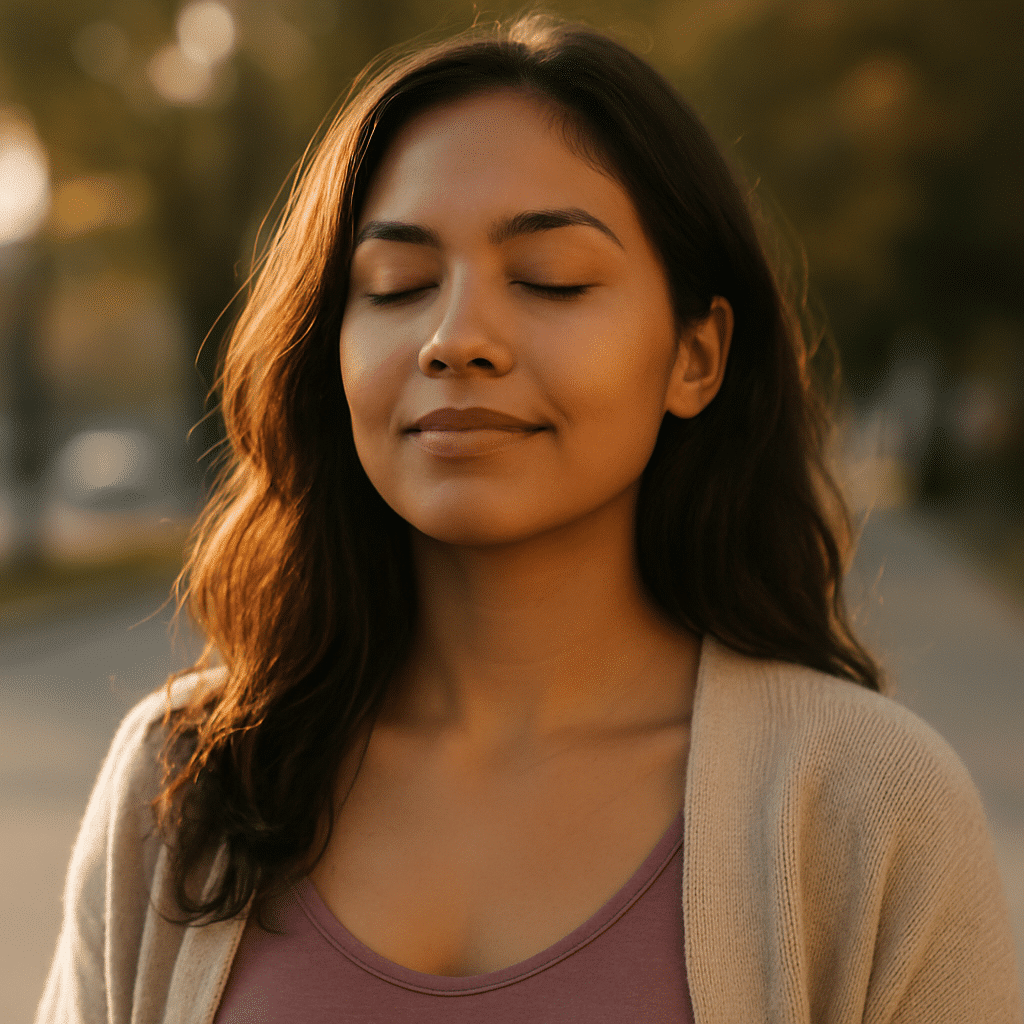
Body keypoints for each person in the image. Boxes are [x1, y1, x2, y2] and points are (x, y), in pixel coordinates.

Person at [37, 14, 1021, 1024]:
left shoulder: (869, 807)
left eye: (551, 279)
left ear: (695, 357)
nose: (455, 338)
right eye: (397, 287)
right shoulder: (187, 781)